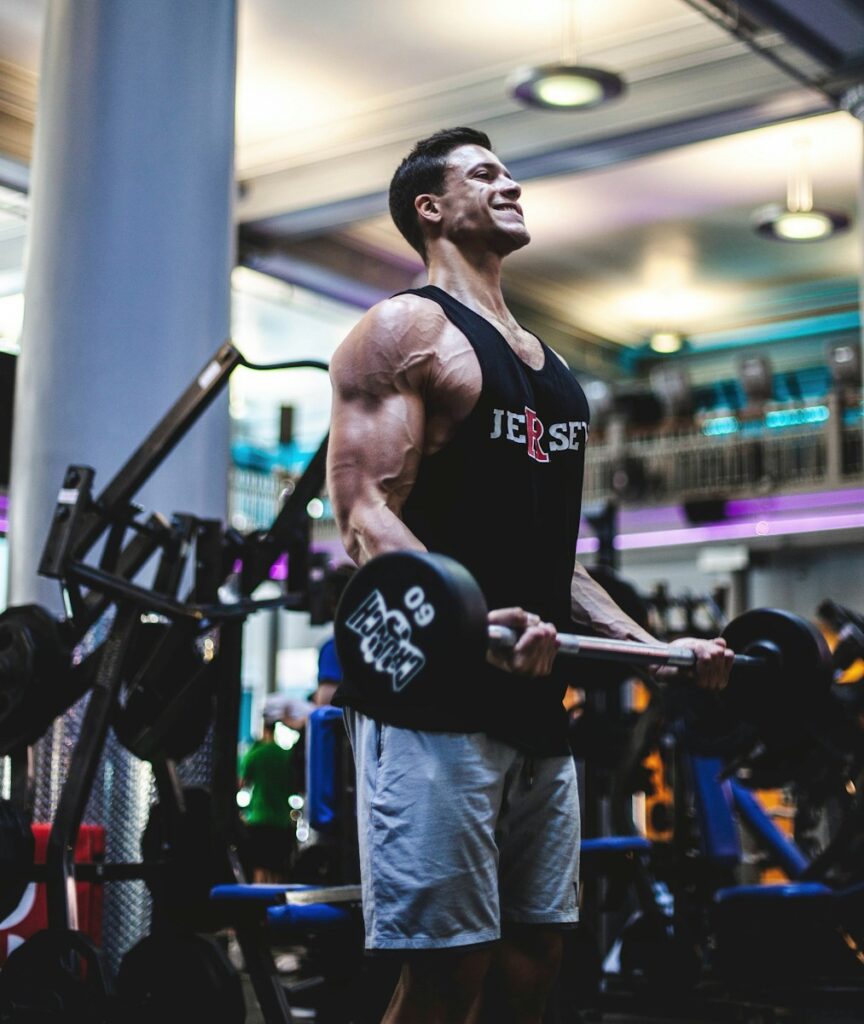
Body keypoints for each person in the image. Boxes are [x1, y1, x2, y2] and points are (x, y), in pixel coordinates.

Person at [325, 126, 734, 1024]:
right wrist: (464, 621)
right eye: (485, 173)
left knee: (534, 957)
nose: (511, 183)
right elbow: (361, 511)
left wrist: (654, 648)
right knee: (448, 971)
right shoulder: (405, 330)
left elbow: (560, 559)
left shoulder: (548, 370)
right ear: (431, 209)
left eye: (510, 170)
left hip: (535, 694)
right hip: (433, 702)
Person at [238, 714, 300, 884]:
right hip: (282, 822)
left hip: (259, 819)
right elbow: (295, 787)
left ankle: (260, 908)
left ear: (263, 729)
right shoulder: (285, 755)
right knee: (279, 873)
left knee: (259, 870)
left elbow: (240, 784)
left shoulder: (255, 754)